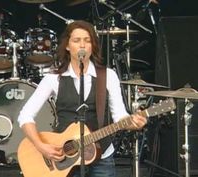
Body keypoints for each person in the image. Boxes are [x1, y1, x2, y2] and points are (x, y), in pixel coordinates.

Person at [17, 20, 147, 177]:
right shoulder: (54, 78)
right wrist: (41, 146)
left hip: (102, 157)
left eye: (87, 40)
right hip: (64, 158)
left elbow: (119, 115)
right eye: (76, 40)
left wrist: (134, 123)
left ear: (93, 45)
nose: (82, 45)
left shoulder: (108, 76)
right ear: (67, 46)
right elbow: (25, 115)